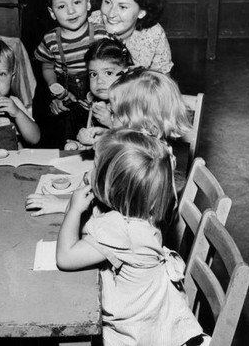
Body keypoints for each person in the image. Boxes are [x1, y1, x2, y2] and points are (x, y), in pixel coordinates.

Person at [56, 129, 206, 346]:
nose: (90, 170)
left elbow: (65, 258)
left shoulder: (120, 228)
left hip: (137, 334)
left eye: (96, 165)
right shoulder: (143, 210)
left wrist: (74, 210)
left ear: (112, 185)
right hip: (153, 315)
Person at [26, 67, 190, 216]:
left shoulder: (138, 162)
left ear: (134, 121)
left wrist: (65, 206)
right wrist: (109, 133)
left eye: (115, 114)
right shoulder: (155, 147)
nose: (110, 117)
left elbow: (110, 215)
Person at [35, 0, 108, 147]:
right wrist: (55, 90)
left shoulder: (101, 33)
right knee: (68, 143)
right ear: (52, 13)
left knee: (99, 142)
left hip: (100, 101)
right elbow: (47, 65)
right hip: (69, 103)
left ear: (88, 3)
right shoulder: (50, 40)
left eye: (77, 2)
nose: (71, 11)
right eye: (61, 6)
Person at [89, 0, 173, 75]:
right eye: (107, 2)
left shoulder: (154, 34)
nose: (111, 14)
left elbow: (163, 80)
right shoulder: (90, 24)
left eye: (123, 7)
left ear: (142, 12)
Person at [63, 37, 133, 150]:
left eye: (108, 73)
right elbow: (104, 142)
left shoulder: (134, 103)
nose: (99, 81)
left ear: (126, 73)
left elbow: (136, 143)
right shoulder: (93, 104)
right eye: (93, 74)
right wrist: (83, 141)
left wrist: (110, 122)